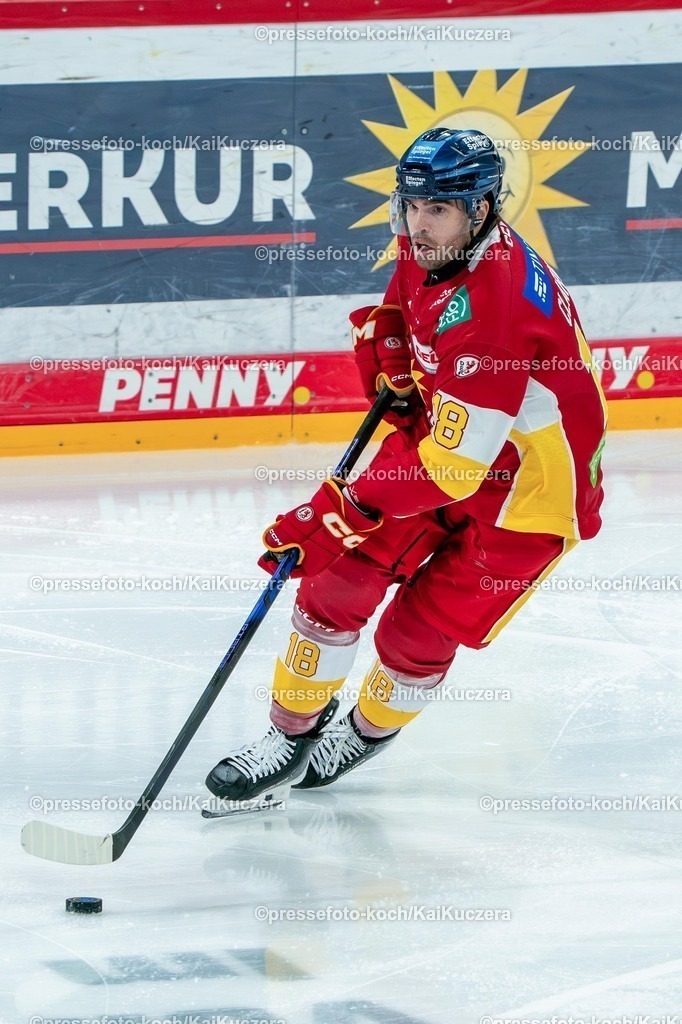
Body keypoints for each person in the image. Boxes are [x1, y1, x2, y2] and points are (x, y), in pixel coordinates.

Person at [205, 127, 607, 806]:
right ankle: (289, 736)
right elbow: (405, 299)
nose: (418, 225)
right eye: (412, 205)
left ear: (481, 209)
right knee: (337, 584)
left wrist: (337, 511)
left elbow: (453, 473)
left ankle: (363, 732)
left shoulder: (494, 312)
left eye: (439, 210)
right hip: (452, 441)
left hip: (529, 496)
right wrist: (394, 352)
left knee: (416, 633)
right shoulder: (441, 244)